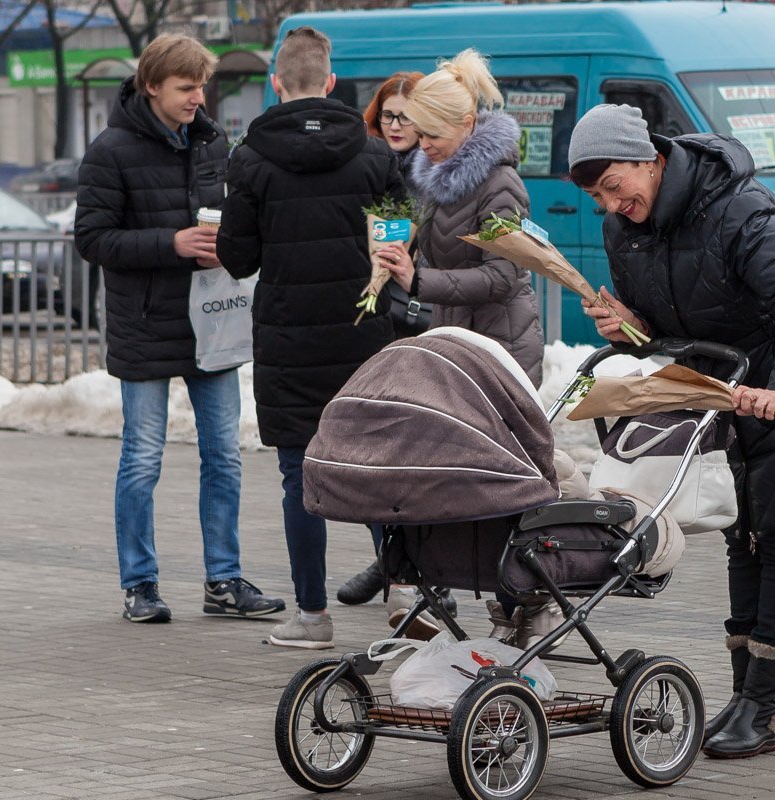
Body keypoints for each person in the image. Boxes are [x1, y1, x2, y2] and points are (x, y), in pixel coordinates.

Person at [567, 103, 775, 758]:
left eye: (613, 185)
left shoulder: (739, 208)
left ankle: (763, 706)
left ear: (645, 157)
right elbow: (674, 324)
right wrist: (633, 329)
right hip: (725, 392)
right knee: (741, 535)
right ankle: (745, 694)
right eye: (598, 195)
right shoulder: (625, 231)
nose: (610, 203)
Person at [74, 34, 285, 625]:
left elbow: (236, 216)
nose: (199, 97)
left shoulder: (214, 140)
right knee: (143, 458)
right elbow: (91, 238)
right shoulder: (110, 150)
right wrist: (171, 244)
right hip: (144, 323)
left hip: (212, 323)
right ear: (152, 87)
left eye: (202, 86)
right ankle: (139, 584)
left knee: (225, 455)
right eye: (187, 87)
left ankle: (223, 579)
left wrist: (231, 246)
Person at [216, 26, 401, 649]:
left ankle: (313, 618)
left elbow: (237, 258)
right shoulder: (376, 155)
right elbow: (399, 239)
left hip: (288, 340)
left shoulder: (250, 159)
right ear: (329, 82)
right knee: (378, 472)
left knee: (301, 477)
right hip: (366, 335)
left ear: (275, 85)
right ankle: (405, 600)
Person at [374, 49, 554, 647]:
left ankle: (522, 603)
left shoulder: (501, 184)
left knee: (504, 476)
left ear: (468, 125)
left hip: (502, 347)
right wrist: (402, 258)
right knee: (459, 471)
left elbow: (504, 277)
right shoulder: (437, 179)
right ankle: (475, 594)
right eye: (417, 133)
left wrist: (418, 281)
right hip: (456, 341)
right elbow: (442, 256)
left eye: (433, 134)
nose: (421, 145)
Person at [336, 71, 457, 632]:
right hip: (379, 317)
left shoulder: (441, 173)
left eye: (407, 116)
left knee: (426, 449)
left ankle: (431, 576)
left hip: (430, 314)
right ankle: (393, 564)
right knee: (380, 448)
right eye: (388, 116)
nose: (397, 125)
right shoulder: (367, 167)